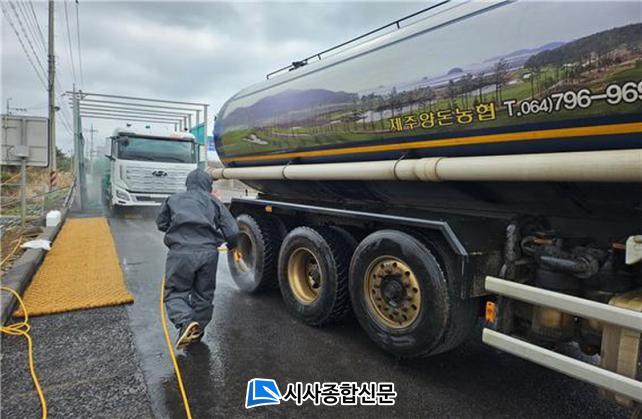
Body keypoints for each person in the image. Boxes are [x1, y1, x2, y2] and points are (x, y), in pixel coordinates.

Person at [156, 168, 239, 349]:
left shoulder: (174, 199)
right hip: (208, 254)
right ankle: (197, 331)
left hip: (181, 253)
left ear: (188, 184)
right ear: (208, 185)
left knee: (176, 292)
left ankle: (186, 322)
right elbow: (233, 231)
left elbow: (161, 224)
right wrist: (232, 246)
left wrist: (178, 231)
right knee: (203, 295)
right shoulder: (215, 202)